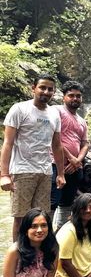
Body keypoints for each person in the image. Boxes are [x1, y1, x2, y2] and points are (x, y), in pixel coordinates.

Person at [0, 73, 65, 241]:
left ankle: (37, 257)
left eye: (50, 89)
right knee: (20, 218)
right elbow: (7, 143)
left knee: (40, 218)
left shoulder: (54, 114)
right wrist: (4, 175)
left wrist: (60, 173)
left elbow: (57, 146)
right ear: (33, 88)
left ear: (54, 92)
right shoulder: (19, 109)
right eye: (42, 87)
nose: (46, 91)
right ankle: (18, 258)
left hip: (45, 172)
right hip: (22, 171)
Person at [52, 81, 88, 230]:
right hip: (55, 164)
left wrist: (77, 161)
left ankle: (60, 235)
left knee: (66, 204)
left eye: (78, 96)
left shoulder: (82, 120)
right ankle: (46, 238)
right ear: (63, 97)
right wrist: (71, 158)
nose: (75, 99)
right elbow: (54, 137)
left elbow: (85, 143)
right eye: (71, 95)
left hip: (74, 168)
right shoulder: (57, 111)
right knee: (52, 202)